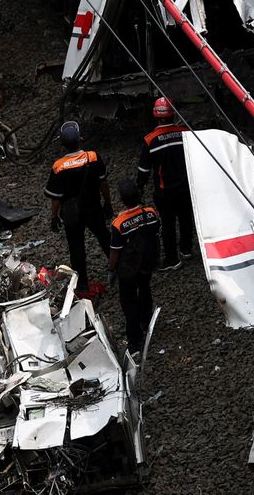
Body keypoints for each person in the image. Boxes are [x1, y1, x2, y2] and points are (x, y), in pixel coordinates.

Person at [44, 121, 113, 287]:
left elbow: (56, 198)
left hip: (71, 213)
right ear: (80, 139)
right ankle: (118, 267)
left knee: (76, 248)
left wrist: (54, 217)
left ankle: (82, 284)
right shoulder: (93, 157)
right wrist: (108, 202)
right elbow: (103, 182)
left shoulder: (58, 167)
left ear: (63, 144)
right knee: (104, 237)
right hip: (93, 207)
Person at [136, 96, 193, 269]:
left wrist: (139, 187)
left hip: (165, 190)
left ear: (155, 115)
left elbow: (144, 170)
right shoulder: (185, 132)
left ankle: (172, 259)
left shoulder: (150, 140)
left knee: (168, 224)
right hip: (185, 187)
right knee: (185, 218)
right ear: (173, 114)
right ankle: (187, 249)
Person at [109, 179, 161, 357]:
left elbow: (115, 251)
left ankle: (135, 339)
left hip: (128, 268)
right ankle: (147, 320)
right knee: (145, 289)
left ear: (122, 199)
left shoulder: (119, 224)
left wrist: (111, 269)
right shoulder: (151, 213)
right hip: (147, 263)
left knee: (129, 301)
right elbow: (156, 232)